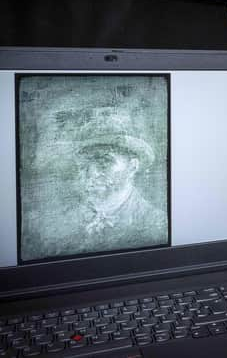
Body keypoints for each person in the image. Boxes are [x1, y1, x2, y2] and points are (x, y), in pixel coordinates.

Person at [21, 107, 168, 261]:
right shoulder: (58, 224)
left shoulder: (157, 223)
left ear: (132, 167)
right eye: (84, 163)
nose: (91, 173)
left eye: (104, 161)